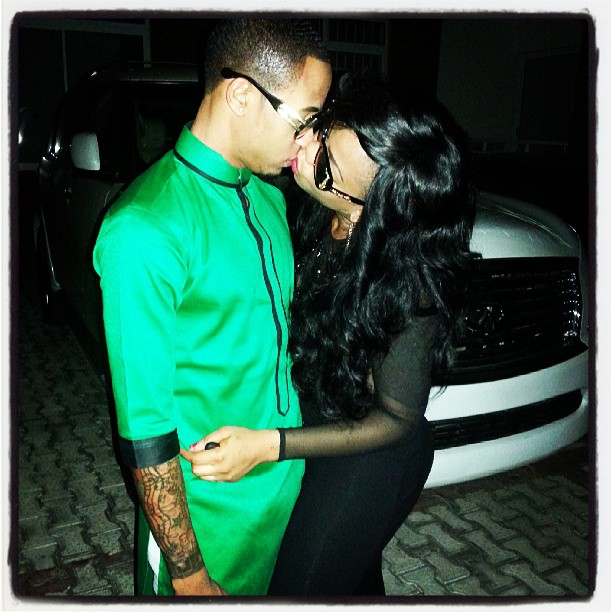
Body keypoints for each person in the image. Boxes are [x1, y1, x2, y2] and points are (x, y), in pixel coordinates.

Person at [181, 70, 475, 596]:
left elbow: (397, 418)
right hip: (318, 419)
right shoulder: (313, 208)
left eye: (326, 163)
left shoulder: (407, 281)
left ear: (370, 207)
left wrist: (266, 446)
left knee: (299, 586)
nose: (304, 144)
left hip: (372, 450)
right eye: (323, 126)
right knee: (350, 576)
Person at [92, 19, 331, 596]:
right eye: (303, 120)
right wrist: (188, 573)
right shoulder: (144, 230)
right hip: (208, 522)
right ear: (241, 95)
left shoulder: (268, 198)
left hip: (283, 495)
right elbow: (145, 433)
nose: (308, 140)